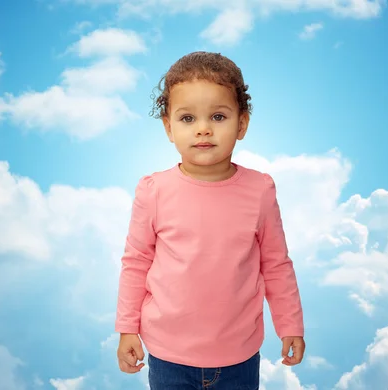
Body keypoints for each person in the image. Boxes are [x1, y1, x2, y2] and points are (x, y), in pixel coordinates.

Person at [115, 51, 305, 389]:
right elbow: (136, 262)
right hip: (168, 356)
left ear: (242, 124)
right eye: (188, 119)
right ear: (168, 127)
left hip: (239, 358)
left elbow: (276, 263)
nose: (203, 129)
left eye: (218, 116)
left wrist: (290, 325)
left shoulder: (259, 190)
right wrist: (127, 327)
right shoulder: (153, 191)